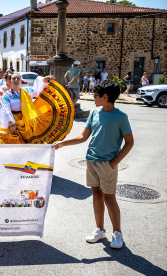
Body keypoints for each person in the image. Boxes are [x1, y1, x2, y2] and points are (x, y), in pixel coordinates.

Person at [54, 80, 134, 249]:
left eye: (95, 95)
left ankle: (117, 233)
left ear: (105, 97)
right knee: (96, 195)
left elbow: (129, 142)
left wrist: (113, 164)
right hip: (91, 161)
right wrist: (62, 143)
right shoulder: (95, 114)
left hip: (107, 165)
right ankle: (100, 229)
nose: (93, 97)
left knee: (110, 198)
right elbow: (83, 137)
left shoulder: (120, 117)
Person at [0, 73, 74, 144]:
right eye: (13, 78)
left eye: (18, 78)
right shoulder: (6, 95)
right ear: (10, 81)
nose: (16, 80)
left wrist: (44, 80)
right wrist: (12, 124)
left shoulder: (26, 90)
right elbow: (6, 110)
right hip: (13, 121)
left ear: (21, 80)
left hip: (27, 121)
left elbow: (37, 92)